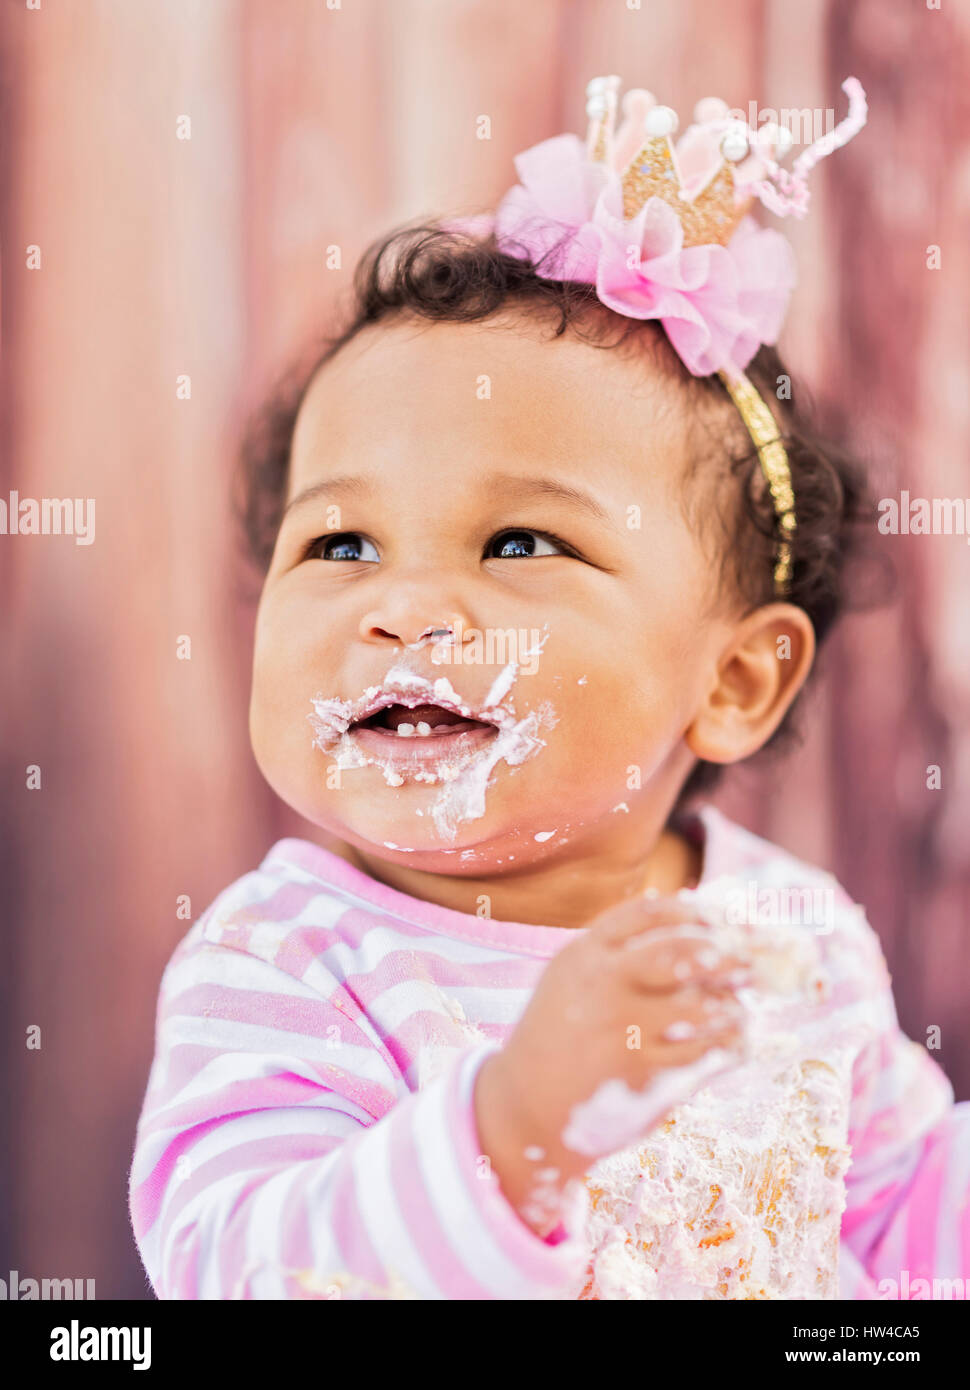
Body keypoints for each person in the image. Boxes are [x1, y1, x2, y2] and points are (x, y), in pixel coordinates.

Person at [128, 75, 969, 1299]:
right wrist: (508, 1134)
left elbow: (905, 1223)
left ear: (737, 678)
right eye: (340, 545)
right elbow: (243, 1269)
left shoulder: (789, 934)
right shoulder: (288, 964)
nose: (400, 606)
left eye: (520, 544)